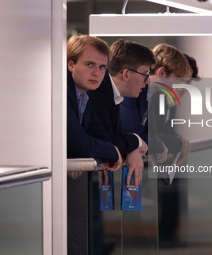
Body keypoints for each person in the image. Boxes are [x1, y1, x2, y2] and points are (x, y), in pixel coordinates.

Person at [66, 34, 122, 255]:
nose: (96, 73)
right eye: (89, 64)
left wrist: (109, 151)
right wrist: (112, 152)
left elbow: (101, 138)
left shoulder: (84, 96)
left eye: (101, 67)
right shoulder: (61, 93)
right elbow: (82, 143)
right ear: (71, 64)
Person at [88, 39, 155, 188]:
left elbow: (114, 140)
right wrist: (136, 141)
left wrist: (131, 149)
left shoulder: (113, 94)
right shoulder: (97, 91)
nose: (146, 82)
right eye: (145, 75)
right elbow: (108, 143)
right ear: (126, 74)